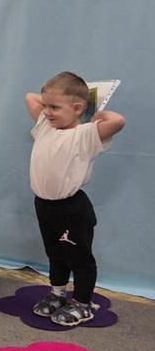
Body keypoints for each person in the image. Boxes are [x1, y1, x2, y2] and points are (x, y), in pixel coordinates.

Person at [25, 72, 125, 327]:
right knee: (55, 253)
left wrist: (94, 112)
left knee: (79, 257)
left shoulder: (85, 134)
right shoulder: (45, 126)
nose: (47, 112)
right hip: (44, 205)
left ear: (78, 108)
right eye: (47, 106)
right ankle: (58, 293)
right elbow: (30, 97)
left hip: (71, 209)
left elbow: (118, 121)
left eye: (55, 107)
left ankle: (82, 302)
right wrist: (56, 102)